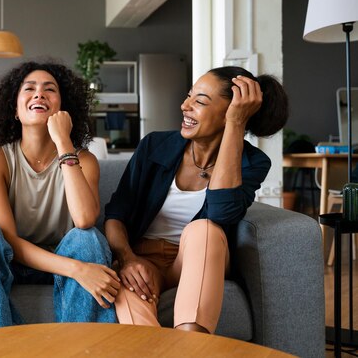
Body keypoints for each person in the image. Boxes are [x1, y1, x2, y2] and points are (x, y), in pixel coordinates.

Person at [104, 66, 288, 333]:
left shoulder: (253, 162)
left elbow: (222, 215)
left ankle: (192, 345)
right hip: (144, 260)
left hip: (199, 259)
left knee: (203, 230)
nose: (184, 106)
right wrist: (128, 258)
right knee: (130, 288)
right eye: (189, 96)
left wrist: (236, 125)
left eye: (199, 101)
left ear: (231, 113)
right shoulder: (155, 145)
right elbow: (116, 214)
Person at [0, 60, 120, 331]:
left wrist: (63, 142)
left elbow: (83, 219)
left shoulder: (85, 160)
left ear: (63, 108)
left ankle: (82, 350)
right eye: (29, 88)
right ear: (15, 109)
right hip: (16, 263)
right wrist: (78, 270)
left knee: (88, 237)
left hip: (68, 255)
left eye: (50, 89)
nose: (39, 94)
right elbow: (7, 239)